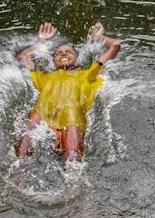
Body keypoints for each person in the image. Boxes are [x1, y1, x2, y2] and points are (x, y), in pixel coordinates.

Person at [15, 21, 120, 163]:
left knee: (72, 156)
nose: (63, 53)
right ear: (53, 61)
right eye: (59, 53)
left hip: (72, 118)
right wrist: (41, 42)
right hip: (42, 115)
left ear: (77, 60)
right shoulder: (43, 77)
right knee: (22, 151)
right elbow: (23, 57)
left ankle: (75, 184)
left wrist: (97, 37)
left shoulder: (88, 74)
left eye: (68, 52)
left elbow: (115, 46)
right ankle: (16, 180)